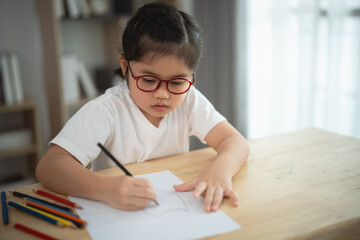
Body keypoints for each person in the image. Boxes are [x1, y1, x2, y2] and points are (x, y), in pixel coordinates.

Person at [36, 2, 249, 213]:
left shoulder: (189, 100)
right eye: (148, 80)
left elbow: (234, 141)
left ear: (191, 75)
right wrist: (104, 188)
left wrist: (221, 170)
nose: (162, 94)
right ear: (125, 66)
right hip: (117, 214)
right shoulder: (105, 111)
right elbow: (50, 166)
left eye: (176, 83)